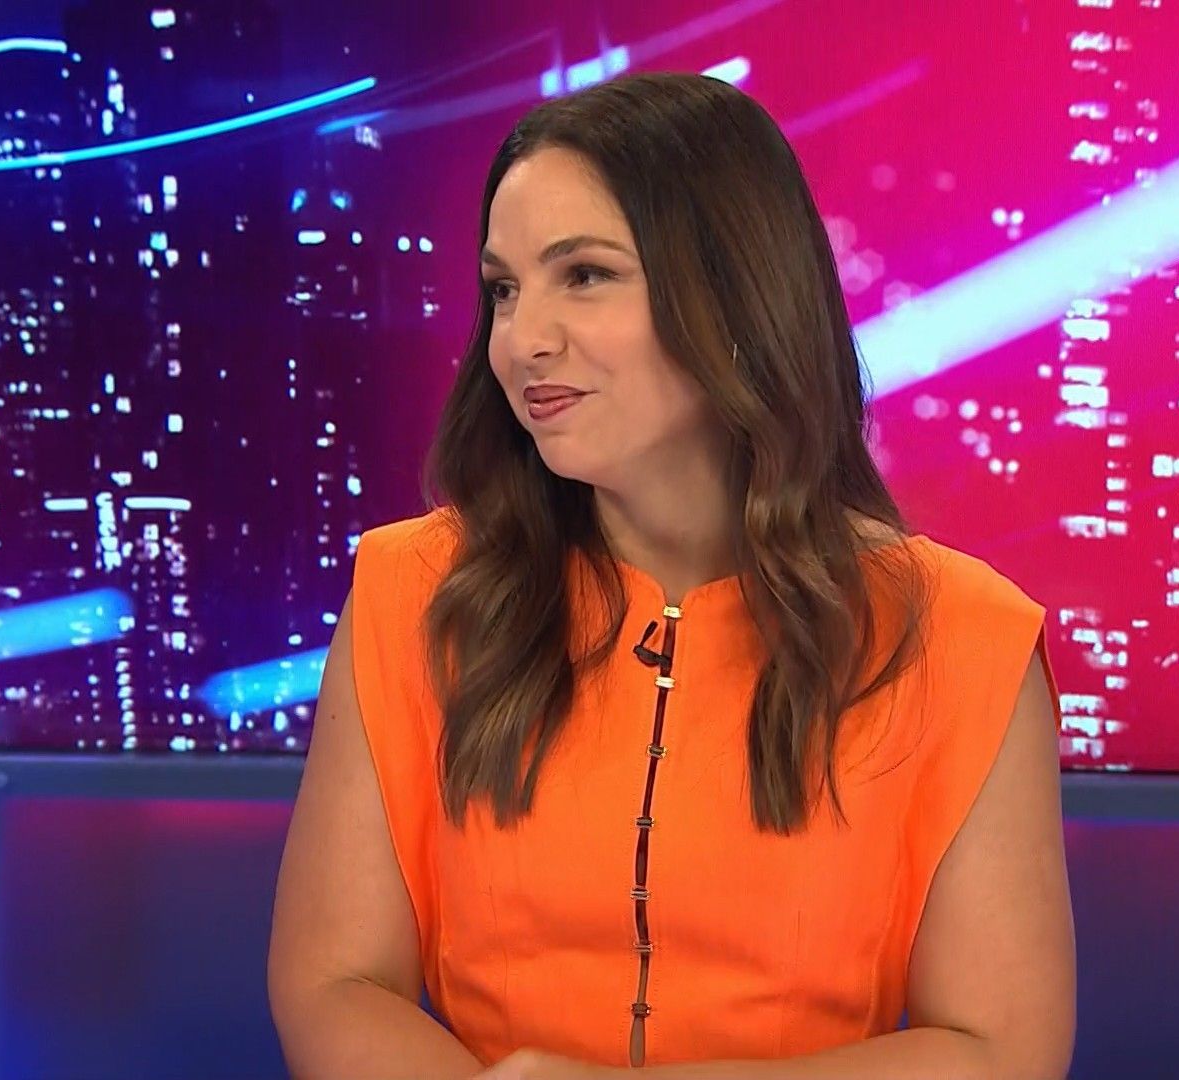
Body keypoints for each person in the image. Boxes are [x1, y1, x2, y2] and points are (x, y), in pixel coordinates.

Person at [268, 71, 1074, 1079]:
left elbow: (998, 1050)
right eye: (504, 289)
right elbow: (335, 984)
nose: (524, 340)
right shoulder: (414, 592)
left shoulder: (959, 637)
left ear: (734, 300)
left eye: (585, 275)